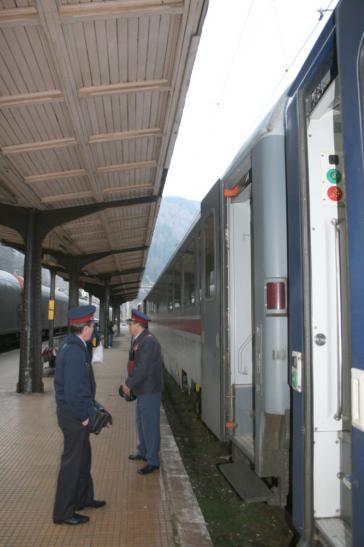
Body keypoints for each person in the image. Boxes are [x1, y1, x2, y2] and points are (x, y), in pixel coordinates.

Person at [53, 305, 106, 525]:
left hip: (72, 414)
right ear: (85, 328)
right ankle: (63, 512)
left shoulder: (71, 344)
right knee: (72, 464)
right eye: (92, 325)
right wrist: (85, 416)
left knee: (83, 458)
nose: (93, 328)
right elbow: (74, 392)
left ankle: (84, 497)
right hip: (74, 417)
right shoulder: (75, 351)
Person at [121, 309, 163, 475]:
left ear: (138, 325)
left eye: (131, 324)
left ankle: (153, 460)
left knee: (150, 425)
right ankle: (143, 451)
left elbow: (143, 368)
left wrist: (128, 384)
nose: (129, 326)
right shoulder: (139, 339)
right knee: (141, 422)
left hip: (150, 390)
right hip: (142, 389)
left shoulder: (149, 342)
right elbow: (134, 364)